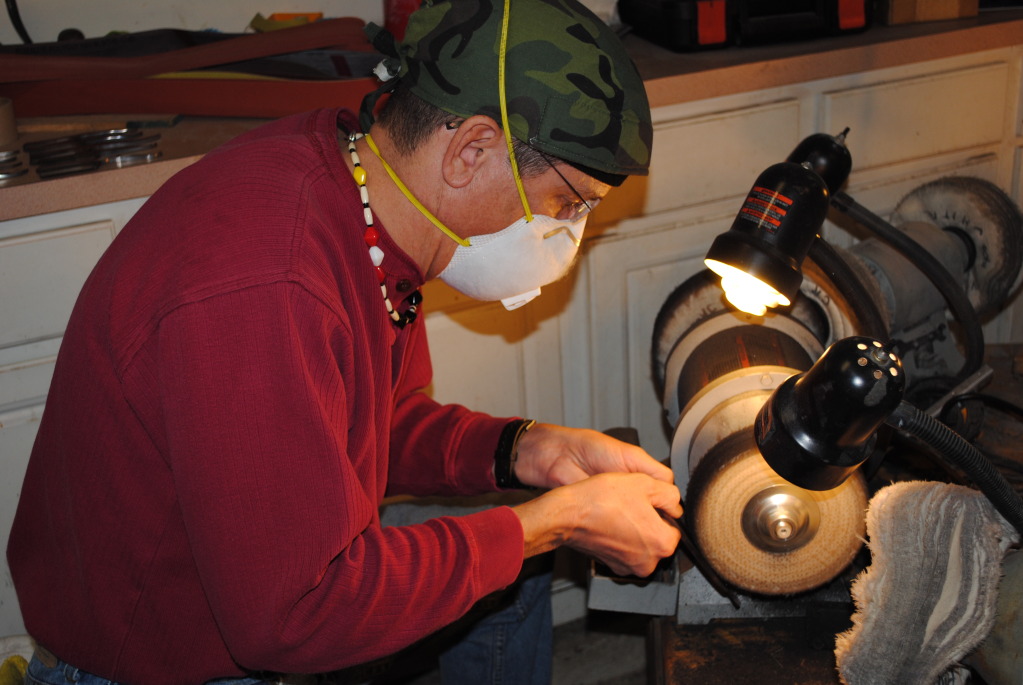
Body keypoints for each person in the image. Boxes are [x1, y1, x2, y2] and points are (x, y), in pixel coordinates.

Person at [6, 0, 683, 683]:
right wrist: (554, 523)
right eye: (569, 203)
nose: (568, 232)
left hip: (248, 606)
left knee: (510, 561)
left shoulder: (366, 205)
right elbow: (298, 613)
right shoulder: (270, 281)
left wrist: (530, 451)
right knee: (515, 543)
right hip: (163, 660)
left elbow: (369, 427)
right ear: (470, 151)